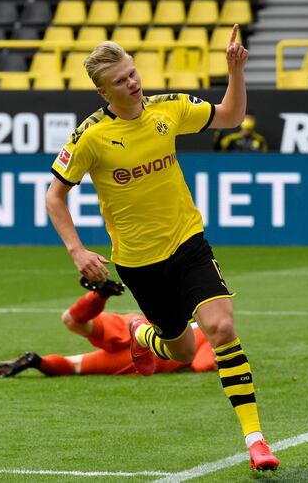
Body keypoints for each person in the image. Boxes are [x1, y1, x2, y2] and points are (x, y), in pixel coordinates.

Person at [45, 24, 279, 471]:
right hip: (138, 263)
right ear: (103, 91)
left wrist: (235, 71)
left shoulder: (169, 109)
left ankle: (256, 440)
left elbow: (229, 116)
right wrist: (77, 251)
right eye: (121, 80)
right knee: (182, 352)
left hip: (187, 243)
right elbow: (54, 196)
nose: (132, 82)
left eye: (133, 72)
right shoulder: (90, 137)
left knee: (222, 328)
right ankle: (141, 334)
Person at [0, 278, 216, 378]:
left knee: (71, 320)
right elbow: (201, 364)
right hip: (146, 357)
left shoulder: (182, 318)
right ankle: (38, 361)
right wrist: (220, 359)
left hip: (135, 325)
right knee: (74, 365)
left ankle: (99, 295)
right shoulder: (209, 335)